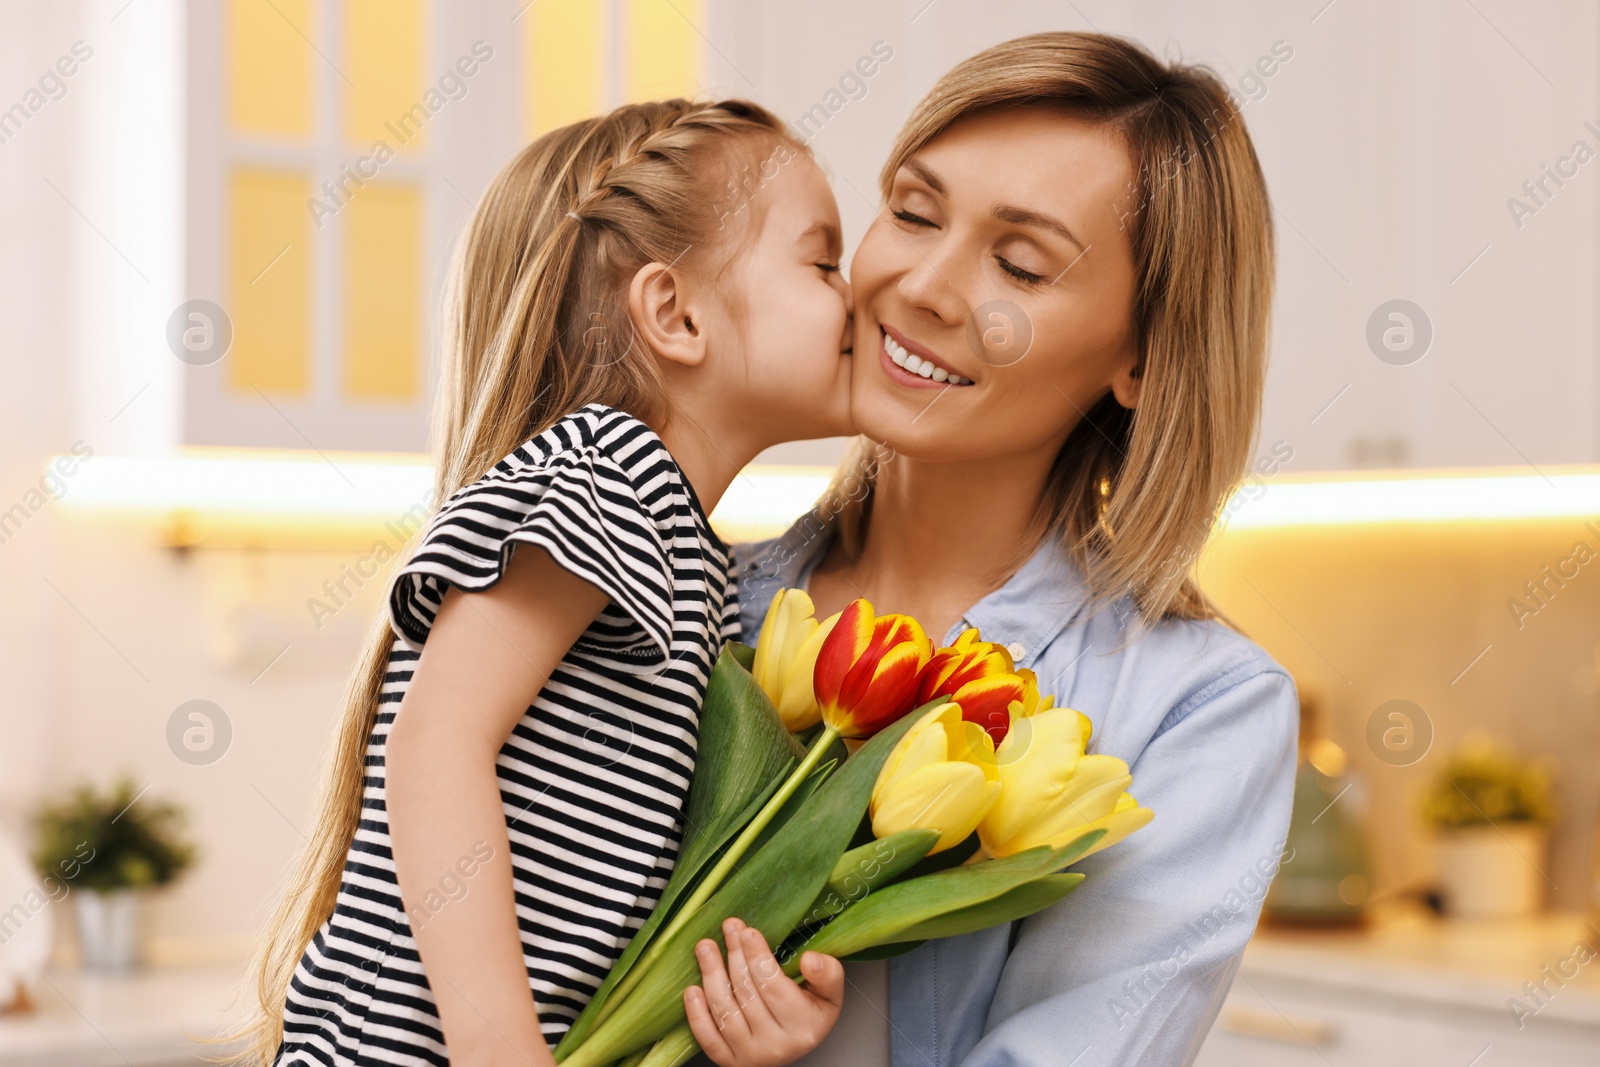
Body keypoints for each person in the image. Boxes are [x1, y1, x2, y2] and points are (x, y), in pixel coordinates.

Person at [235, 98, 856, 1067]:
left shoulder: (677, 539)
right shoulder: (612, 473)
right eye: (821, 262)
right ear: (675, 313)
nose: (855, 296)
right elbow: (436, 743)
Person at [735, 33, 1298, 1067]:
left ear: (1141, 355)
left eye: (1021, 263)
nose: (924, 285)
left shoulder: (1197, 710)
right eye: (910, 212)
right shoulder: (691, 600)